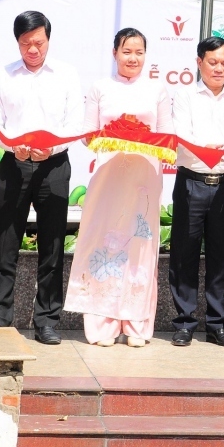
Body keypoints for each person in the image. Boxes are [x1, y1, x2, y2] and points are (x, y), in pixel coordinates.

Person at [65, 28, 172, 346]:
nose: (133, 58)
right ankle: (103, 324)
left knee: (140, 246)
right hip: (109, 175)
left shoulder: (157, 90)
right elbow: (87, 136)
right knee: (105, 243)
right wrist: (116, 133)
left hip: (144, 178)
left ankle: (137, 324)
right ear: (115, 53)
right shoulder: (100, 88)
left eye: (139, 52)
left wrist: (141, 136)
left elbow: (167, 135)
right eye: (127, 51)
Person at [0, 11, 83, 344]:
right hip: (14, 165)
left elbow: (75, 124)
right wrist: (14, 146)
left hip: (53, 167)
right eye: (26, 43)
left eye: (38, 42)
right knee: (6, 242)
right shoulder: (3, 75)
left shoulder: (67, 75)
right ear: (17, 42)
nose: (32, 49)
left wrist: (51, 147)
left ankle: (47, 320)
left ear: (48, 40)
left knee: (53, 243)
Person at [169, 37, 224, 348]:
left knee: (222, 255)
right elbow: (181, 136)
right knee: (184, 253)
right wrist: (207, 148)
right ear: (199, 62)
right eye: (213, 62)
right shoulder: (184, 95)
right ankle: (184, 322)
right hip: (191, 182)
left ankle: (217, 323)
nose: (219, 68)